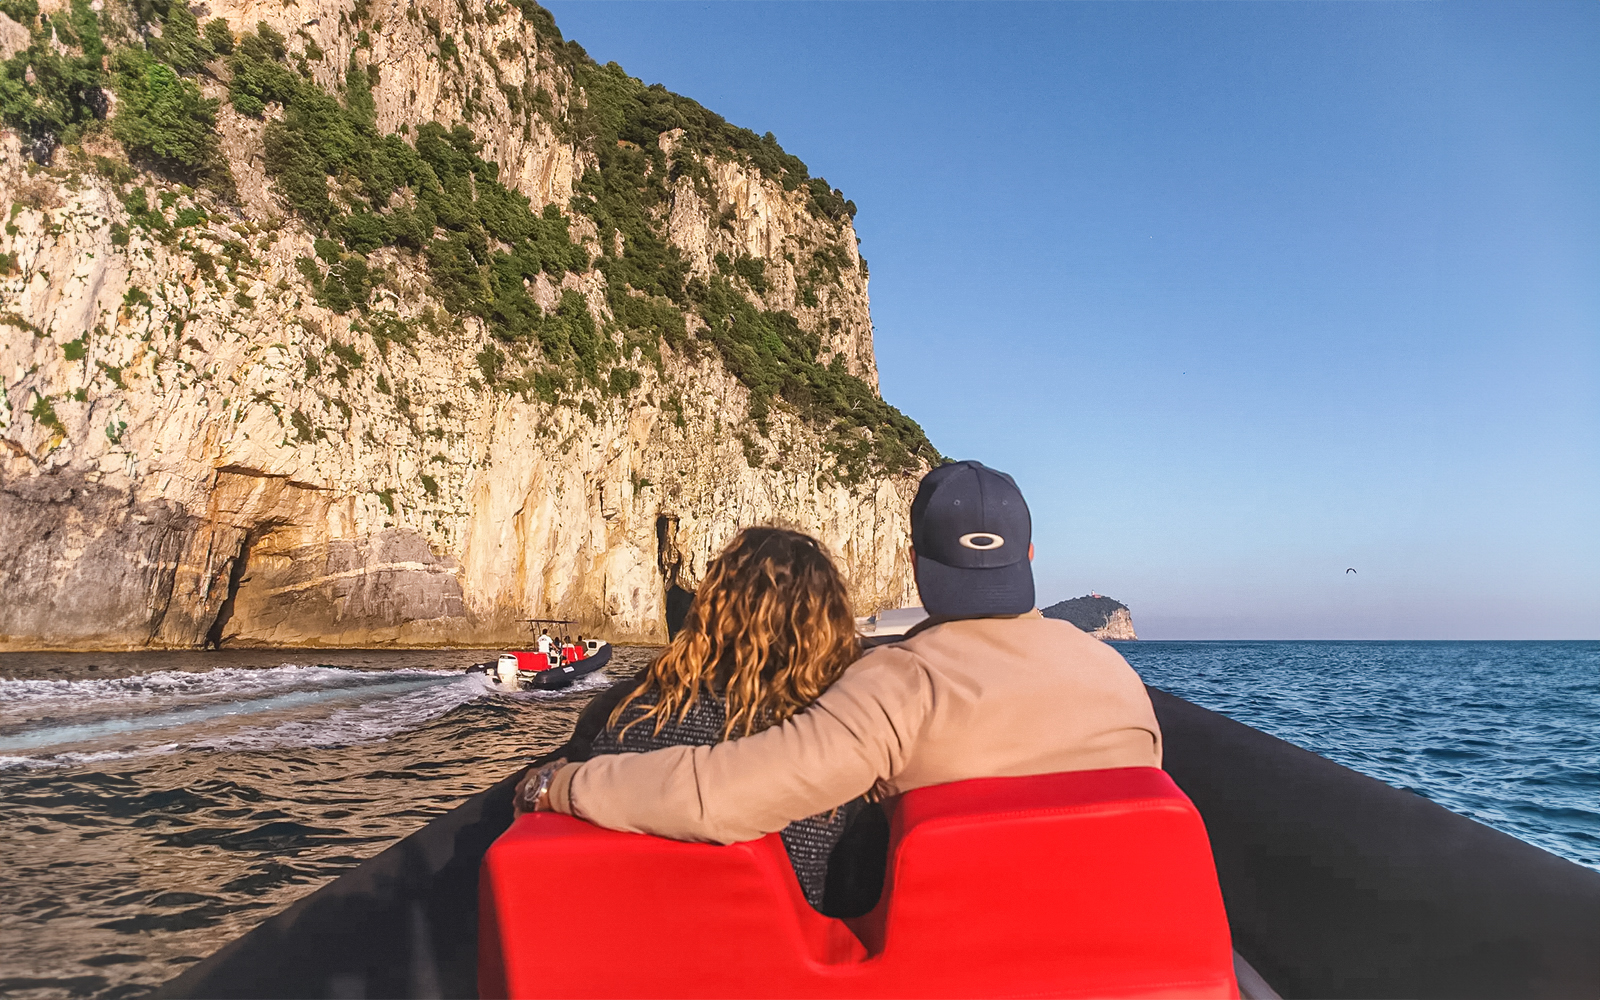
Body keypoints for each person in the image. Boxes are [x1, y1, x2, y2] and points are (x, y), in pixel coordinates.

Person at [517, 461, 1162, 854]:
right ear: (1027, 558)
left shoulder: (897, 683)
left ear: (914, 563)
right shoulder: (1117, 679)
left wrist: (562, 782)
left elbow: (721, 796)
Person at [520, 526, 865, 909]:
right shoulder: (833, 757)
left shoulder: (626, 718)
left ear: (710, 610)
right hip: (772, 962)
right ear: (828, 629)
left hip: (633, 947)